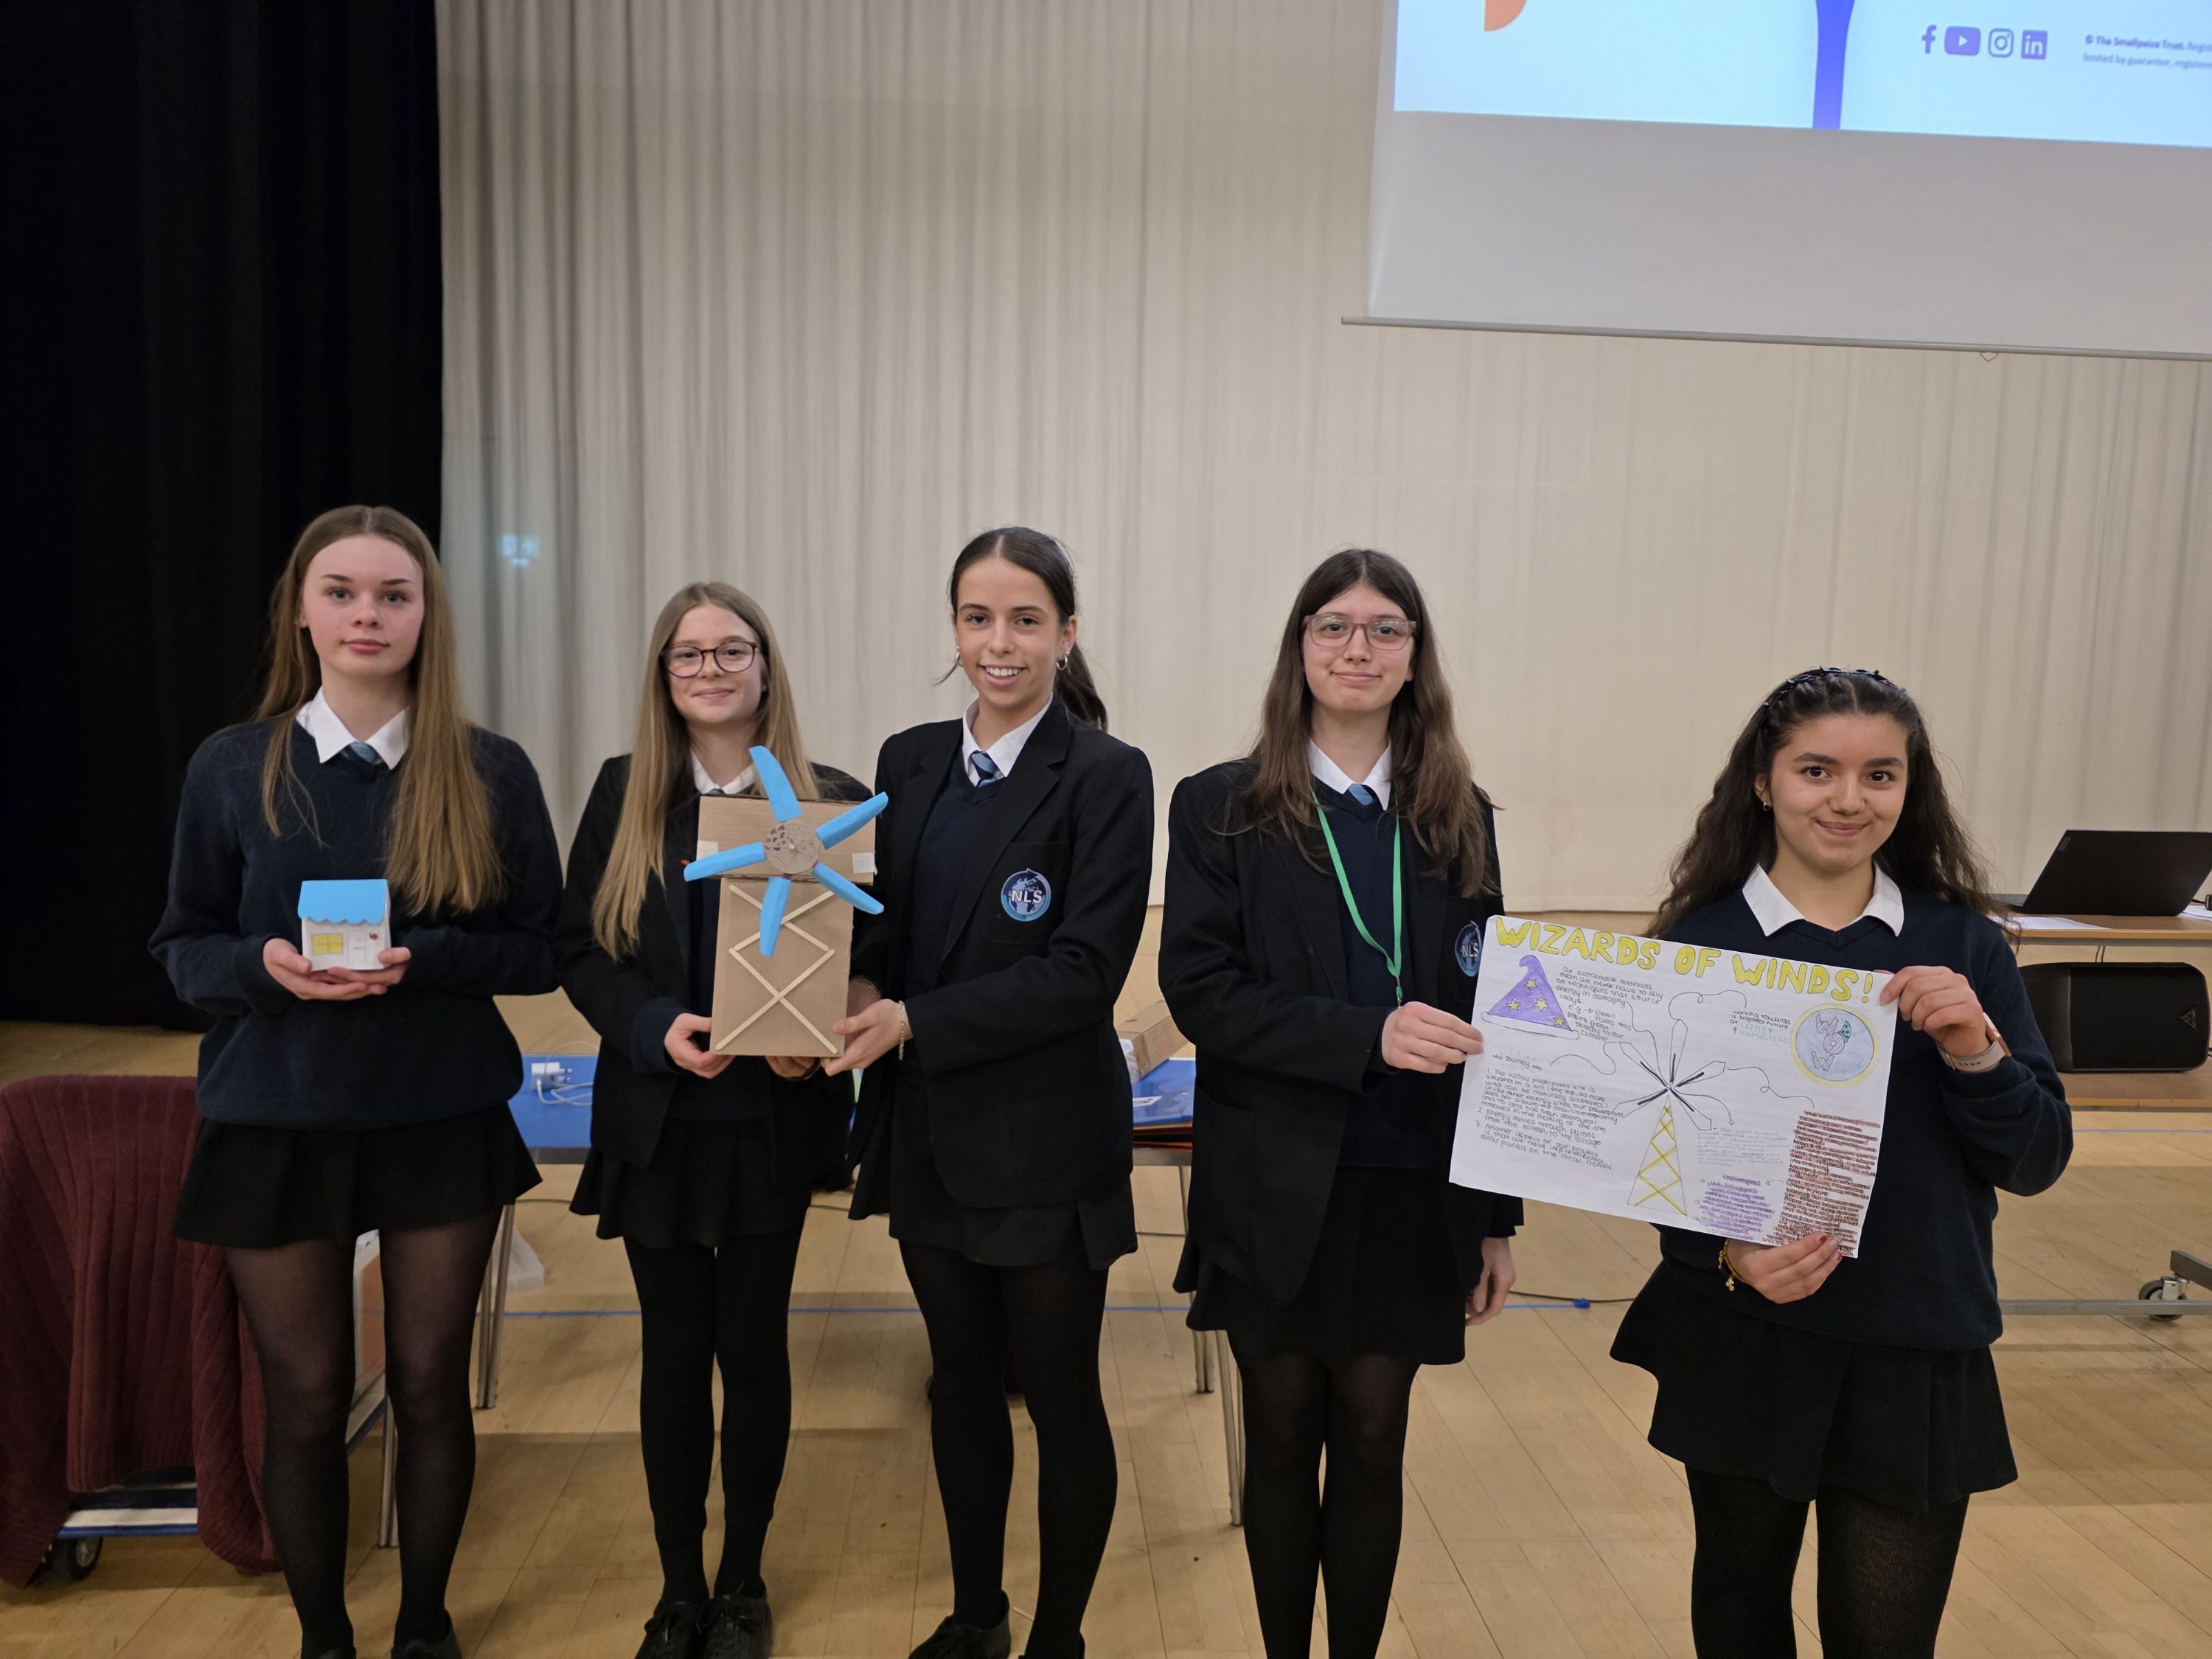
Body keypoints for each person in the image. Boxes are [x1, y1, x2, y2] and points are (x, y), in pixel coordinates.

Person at [153, 505, 560, 1659]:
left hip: (439, 1112)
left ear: (428, 615)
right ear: (303, 609)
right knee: (308, 1394)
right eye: (342, 591)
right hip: (275, 1115)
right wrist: (262, 967)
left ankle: (425, 1626)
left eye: (394, 593)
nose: (367, 614)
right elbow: (180, 944)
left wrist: (424, 958)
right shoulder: (234, 765)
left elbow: (541, 948)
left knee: (432, 1386)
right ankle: (324, 1636)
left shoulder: (488, 768)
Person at [1610, 666, 2073, 1659]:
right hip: (1747, 1336)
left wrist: (1973, 1049)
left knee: (1885, 1638)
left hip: (1913, 1338)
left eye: (1880, 775)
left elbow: (2035, 1158)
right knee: (1739, 1611)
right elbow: (1653, 1156)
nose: (1848, 799)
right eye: (1817, 769)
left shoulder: (1964, 946)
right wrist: (1723, 1256)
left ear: (1911, 790)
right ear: (1764, 783)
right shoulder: (1700, 944)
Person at [1159, 547, 1520, 1659]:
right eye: (1333, 626)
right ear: (1300, 649)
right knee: (1279, 1436)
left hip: (1411, 1184)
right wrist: (1365, 1034)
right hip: (1273, 1179)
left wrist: (1497, 1212)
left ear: (1416, 659)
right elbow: (1203, 993)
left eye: (1384, 629)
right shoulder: (1220, 806)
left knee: (1373, 1438)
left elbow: (1494, 1015)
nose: (1357, 649)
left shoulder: (1462, 812)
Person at [833, 527, 1152, 1659]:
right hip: (928, 1134)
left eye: (1026, 619)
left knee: (1060, 1398)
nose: (999, 642)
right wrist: (858, 983)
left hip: (1046, 1141)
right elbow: (879, 927)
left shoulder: (1109, 775)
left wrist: (912, 1019)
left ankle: (1056, 1636)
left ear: (1068, 632)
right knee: (958, 1390)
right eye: (978, 618)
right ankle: (977, 1616)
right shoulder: (908, 758)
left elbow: (1082, 973)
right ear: (954, 628)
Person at [557, 582, 870, 1659]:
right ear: (664, 675)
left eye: (732, 649)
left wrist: (821, 1026)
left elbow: (862, 960)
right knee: (672, 1353)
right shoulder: (623, 793)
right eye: (688, 653)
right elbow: (578, 950)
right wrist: (651, 1027)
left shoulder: (828, 798)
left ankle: (744, 1582)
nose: (711, 668)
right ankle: (678, 1587)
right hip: (660, 1118)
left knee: (756, 1346)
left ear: (766, 667)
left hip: (772, 1118)